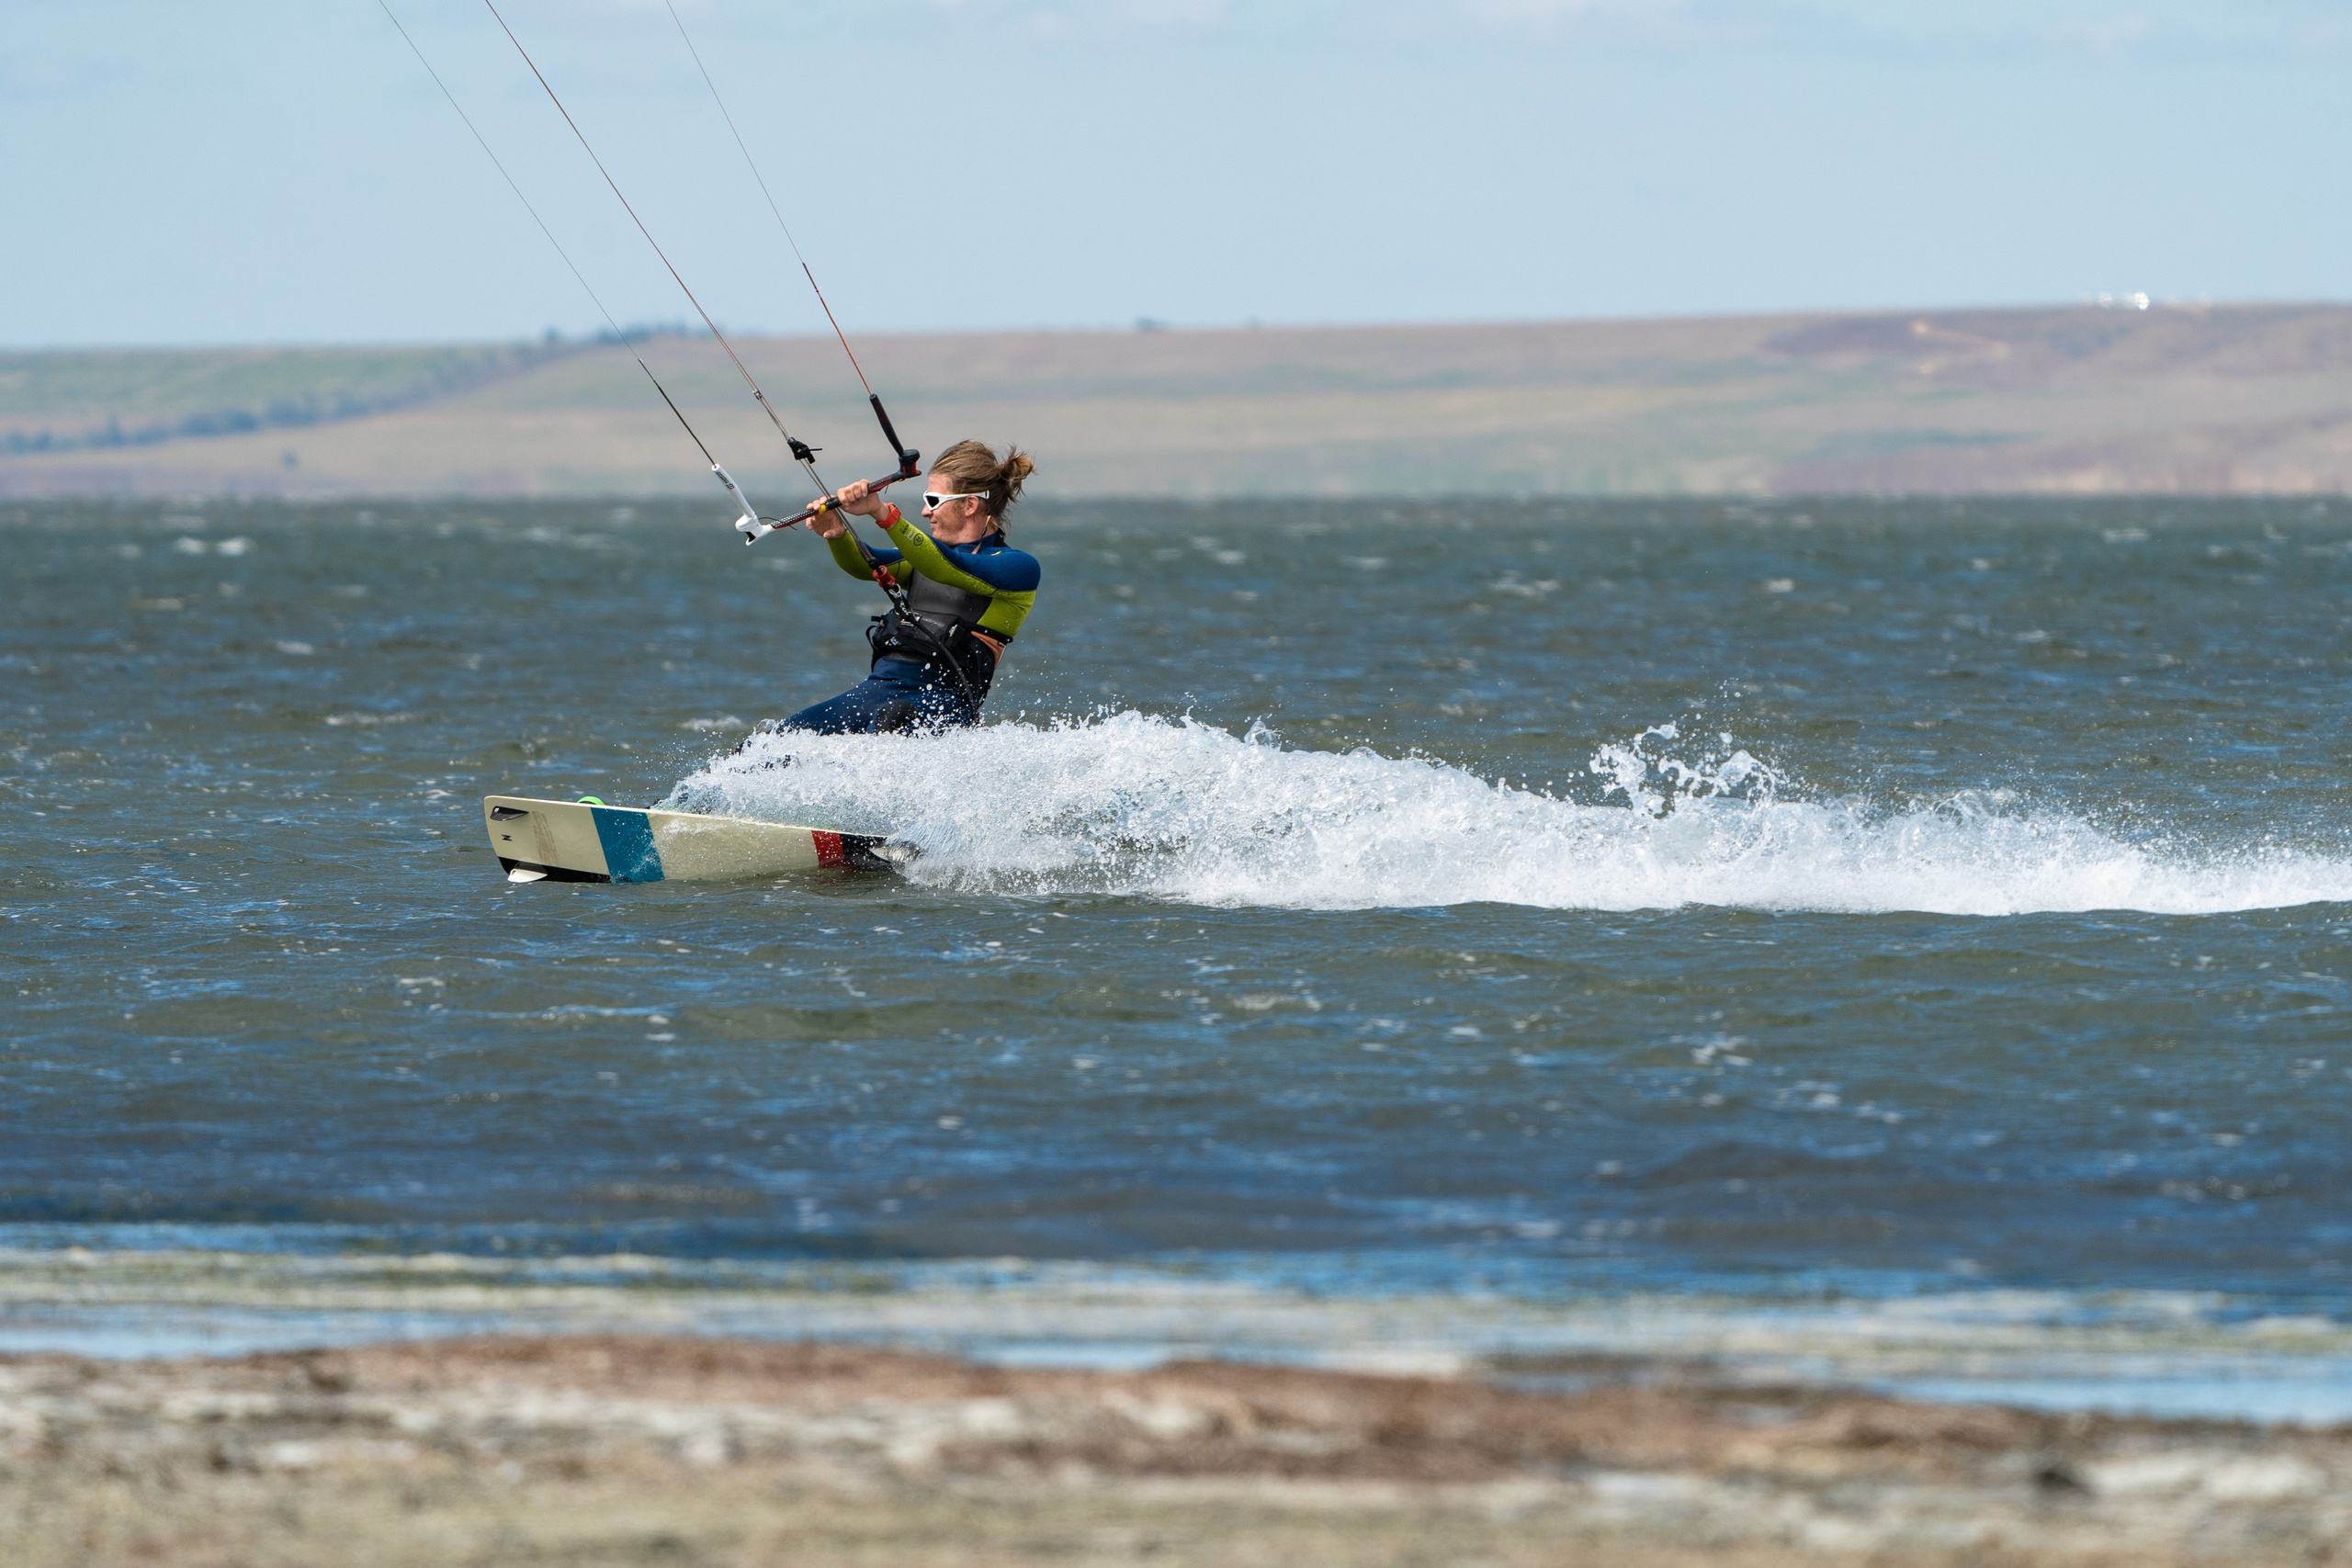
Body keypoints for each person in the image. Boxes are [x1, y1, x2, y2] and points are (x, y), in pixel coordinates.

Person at [777, 440, 1039, 734]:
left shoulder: (1018, 568)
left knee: (894, 717)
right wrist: (838, 534)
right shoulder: (922, 558)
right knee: (775, 739)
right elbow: (865, 565)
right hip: (875, 691)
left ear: (969, 505)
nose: (926, 512)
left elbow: (946, 566)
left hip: (942, 704)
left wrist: (882, 513)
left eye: (933, 501)